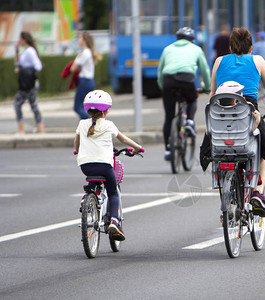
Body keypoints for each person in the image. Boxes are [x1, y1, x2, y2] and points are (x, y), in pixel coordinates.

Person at [208, 27, 265, 217]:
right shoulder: (258, 60)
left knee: (217, 148)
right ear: (251, 47)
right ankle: (258, 193)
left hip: (220, 113)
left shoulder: (219, 61)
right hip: (248, 113)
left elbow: (212, 94)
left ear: (230, 47)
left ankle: (226, 199)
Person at [74, 90, 143, 241]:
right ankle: (114, 221)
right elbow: (123, 139)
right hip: (104, 166)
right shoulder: (109, 125)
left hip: (85, 166)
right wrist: (137, 147)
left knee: (93, 178)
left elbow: (77, 143)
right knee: (113, 192)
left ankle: (88, 195)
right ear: (106, 111)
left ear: (87, 110)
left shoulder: (81, 124)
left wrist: (77, 151)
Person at [157, 27, 211, 161]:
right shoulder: (196, 49)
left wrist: (162, 87)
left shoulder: (167, 49)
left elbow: (160, 72)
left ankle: (168, 149)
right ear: (192, 40)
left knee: (169, 117)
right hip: (186, 79)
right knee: (192, 99)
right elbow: (204, 70)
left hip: (168, 80)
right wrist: (208, 87)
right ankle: (190, 121)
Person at [14, 31, 44, 134]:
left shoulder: (30, 51)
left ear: (24, 39)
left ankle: (23, 129)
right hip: (25, 84)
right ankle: (39, 129)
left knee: (21, 105)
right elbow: (17, 63)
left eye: (20, 39)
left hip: (30, 84)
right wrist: (16, 51)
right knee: (30, 106)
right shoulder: (26, 51)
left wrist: (25, 70)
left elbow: (38, 66)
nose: (18, 41)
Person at [70, 31, 102, 119]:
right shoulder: (88, 52)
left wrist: (76, 60)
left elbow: (73, 68)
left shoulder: (84, 53)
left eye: (80, 38)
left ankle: (93, 122)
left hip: (85, 81)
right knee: (84, 107)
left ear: (84, 40)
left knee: (77, 107)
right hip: (88, 81)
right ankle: (84, 129)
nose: (78, 40)